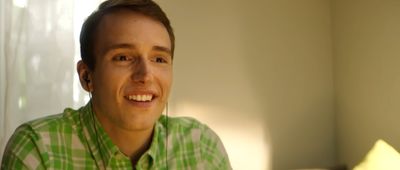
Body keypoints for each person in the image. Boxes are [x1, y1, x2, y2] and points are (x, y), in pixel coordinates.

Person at [1, 0, 232, 169]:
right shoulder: (38, 150)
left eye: (159, 59)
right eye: (123, 57)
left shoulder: (202, 147)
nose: (145, 75)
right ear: (86, 77)